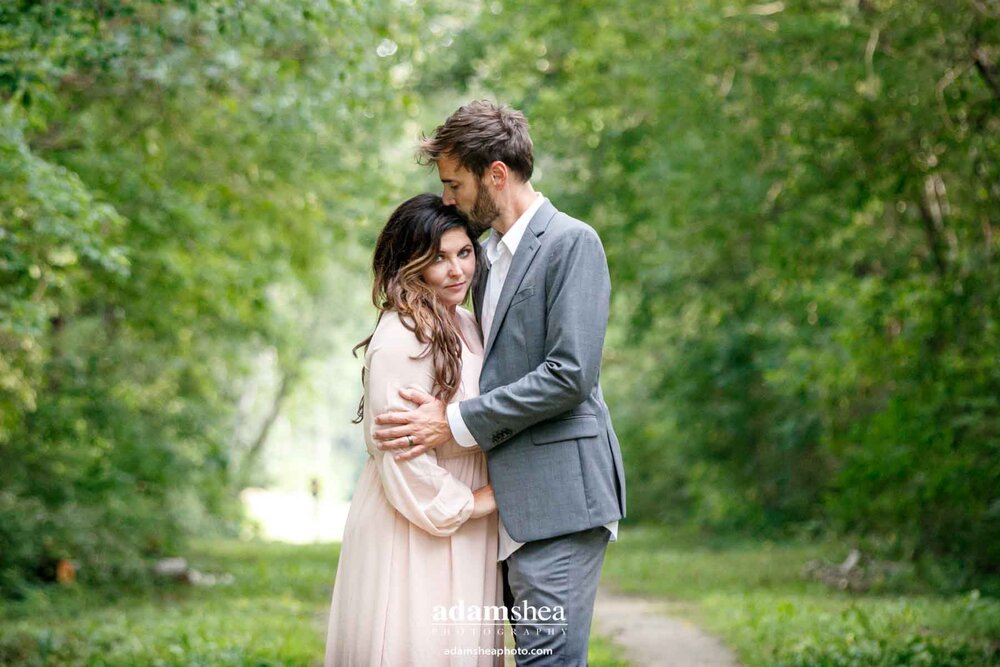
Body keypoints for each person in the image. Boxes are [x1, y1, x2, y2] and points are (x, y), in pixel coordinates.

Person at [374, 101, 627, 665]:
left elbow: (570, 374)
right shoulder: (484, 260)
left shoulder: (571, 243)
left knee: (548, 662)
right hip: (508, 502)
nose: (447, 199)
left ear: (495, 174)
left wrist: (453, 423)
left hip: (561, 498)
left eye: (454, 183)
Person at [324, 193, 503, 666]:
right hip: (417, 522)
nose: (456, 271)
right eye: (438, 259)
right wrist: (478, 500)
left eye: (464, 253)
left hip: (463, 525)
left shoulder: (465, 324)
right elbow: (400, 456)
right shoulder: (401, 337)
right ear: (410, 264)